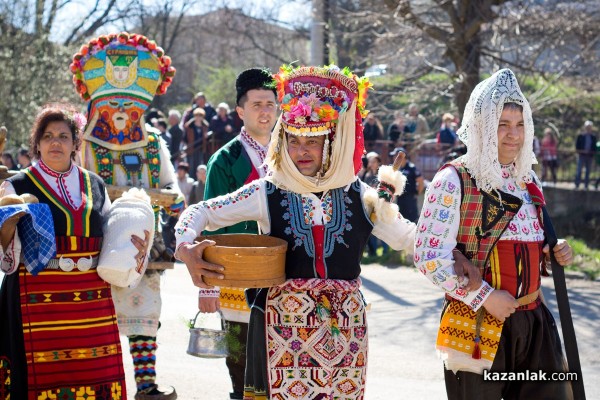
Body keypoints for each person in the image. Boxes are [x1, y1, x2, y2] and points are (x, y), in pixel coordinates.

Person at [175, 65, 417, 400]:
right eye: (294, 141)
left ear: (330, 144)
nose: (302, 151)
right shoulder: (266, 191)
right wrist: (185, 245)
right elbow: (200, 211)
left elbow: (410, 239)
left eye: (313, 142)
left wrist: (453, 252)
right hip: (281, 328)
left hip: (345, 331)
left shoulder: (360, 194)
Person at [415, 68, 574, 400]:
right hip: (475, 322)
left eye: (519, 125)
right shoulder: (453, 179)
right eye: (502, 124)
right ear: (481, 126)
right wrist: (485, 297)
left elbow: (529, 242)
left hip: (534, 322)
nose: (513, 135)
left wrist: (552, 250)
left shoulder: (529, 181)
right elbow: (428, 257)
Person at [0, 104, 149, 398]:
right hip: (34, 302)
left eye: (63, 136)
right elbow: (3, 246)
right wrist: (8, 221)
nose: (55, 142)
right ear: (37, 144)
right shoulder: (15, 185)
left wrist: (134, 244)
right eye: (47, 136)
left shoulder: (94, 184)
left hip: (90, 305)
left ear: (74, 144)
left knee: (95, 376)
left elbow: (110, 233)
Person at [71, 32, 181, 399]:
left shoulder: (151, 144)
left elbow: (170, 184)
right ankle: (96, 385)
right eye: (113, 103)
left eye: (129, 105)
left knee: (145, 315)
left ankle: (146, 384)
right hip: (93, 245)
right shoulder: (83, 143)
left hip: (143, 246)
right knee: (94, 321)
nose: (121, 111)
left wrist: (175, 201)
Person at [197, 68, 278, 400]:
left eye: (271, 103)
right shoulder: (225, 160)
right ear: (240, 111)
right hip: (235, 274)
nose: (265, 111)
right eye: (257, 104)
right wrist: (208, 286)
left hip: (279, 274)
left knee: (277, 357)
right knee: (240, 359)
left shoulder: (290, 153)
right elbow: (209, 226)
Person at [390, 146, 424, 223]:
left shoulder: (411, 167)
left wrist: (417, 193)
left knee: (412, 220)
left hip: (410, 198)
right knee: (401, 219)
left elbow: (420, 181)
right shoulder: (398, 168)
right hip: (400, 198)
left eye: (396, 156)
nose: (394, 158)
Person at [575, 120, 597, 190]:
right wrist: (580, 151)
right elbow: (577, 145)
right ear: (585, 127)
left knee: (588, 171)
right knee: (579, 170)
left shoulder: (593, 137)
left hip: (589, 156)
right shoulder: (581, 136)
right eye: (587, 127)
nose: (588, 128)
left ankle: (586, 185)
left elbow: (594, 147)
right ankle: (577, 185)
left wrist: (591, 152)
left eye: (589, 127)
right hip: (582, 155)